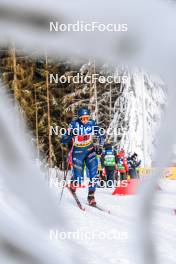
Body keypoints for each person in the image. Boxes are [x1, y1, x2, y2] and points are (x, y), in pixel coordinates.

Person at [61, 107, 104, 205]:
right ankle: (73, 184)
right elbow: (63, 139)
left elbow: (101, 134)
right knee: (79, 178)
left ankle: (91, 196)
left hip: (90, 151)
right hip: (78, 152)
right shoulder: (73, 124)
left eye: (87, 118)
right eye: (83, 118)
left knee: (94, 174)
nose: (85, 120)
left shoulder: (92, 123)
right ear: (79, 118)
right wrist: (71, 134)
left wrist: (100, 146)